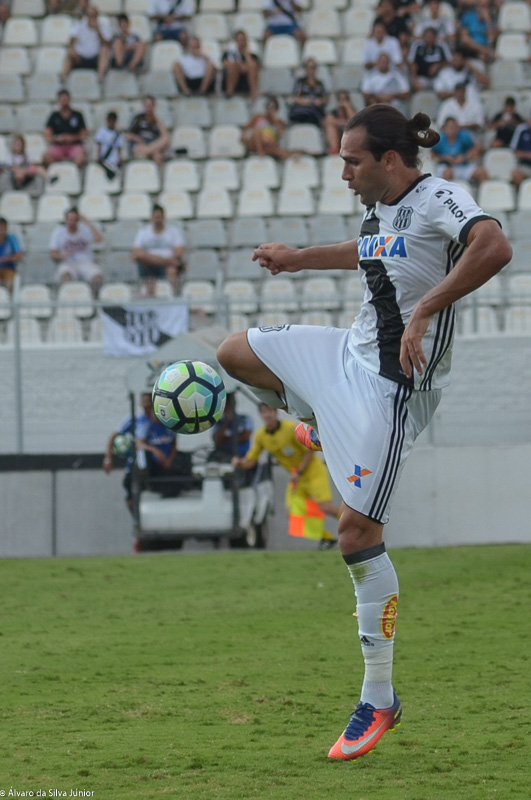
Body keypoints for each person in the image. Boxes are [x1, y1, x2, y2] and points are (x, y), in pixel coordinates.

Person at [216, 103, 512, 761]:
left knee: (355, 534)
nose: (344, 172)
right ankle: (323, 423)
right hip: (346, 355)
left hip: (392, 388)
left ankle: (378, 697)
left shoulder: (438, 198)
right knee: (234, 352)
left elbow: (494, 246)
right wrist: (297, 260)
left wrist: (424, 311)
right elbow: (370, 251)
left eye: (352, 161)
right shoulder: (379, 207)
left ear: (389, 159)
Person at [233, 403, 339, 549]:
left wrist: (299, 472)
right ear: (260, 415)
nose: (268, 415)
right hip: (296, 477)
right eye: (264, 412)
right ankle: (326, 538)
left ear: (275, 413)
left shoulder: (290, 429)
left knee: (325, 507)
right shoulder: (261, 436)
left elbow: (309, 450)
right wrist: (238, 463)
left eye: (270, 411)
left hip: (313, 472)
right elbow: (251, 461)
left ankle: (356, 522)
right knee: (292, 512)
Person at [103, 392, 153, 514]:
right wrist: (108, 458)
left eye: (149, 401)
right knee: (128, 485)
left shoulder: (157, 421)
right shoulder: (136, 420)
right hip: (136, 461)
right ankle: (135, 516)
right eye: (144, 401)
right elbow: (113, 436)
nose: (146, 404)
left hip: (154, 460)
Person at [131, 204, 185, 295]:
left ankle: (174, 295)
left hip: (167, 266)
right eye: (156, 217)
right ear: (151, 218)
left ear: (163, 217)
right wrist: (164, 261)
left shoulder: (173, 231)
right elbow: (136, 252)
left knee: (172, 270)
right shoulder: (143, 232)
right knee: (140, 255)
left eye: (159, 217)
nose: (157, 220)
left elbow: (179, 252)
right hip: (149, 265)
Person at [49, 206, 104, 294]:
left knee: (97, 277)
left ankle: (93, 297)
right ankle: (67, 298)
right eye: (70, 219)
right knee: (66, 276)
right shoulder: (58, 233)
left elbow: (99, 239)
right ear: (65, 220)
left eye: (74, 219)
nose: (71, 222)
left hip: (86, 262)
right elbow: (53, 254)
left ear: (78, 220)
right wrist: (62, 255)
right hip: (68, 263)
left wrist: (86, 221)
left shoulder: (85, 230)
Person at [59, 4, 112, 84]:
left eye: (93, 15)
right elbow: (71, 42)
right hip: (80, 57)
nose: (91, 18)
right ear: (86, 16)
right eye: (89, 15)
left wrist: (98, 30)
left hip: (95, 58)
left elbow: (107, 44)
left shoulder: (104, 27)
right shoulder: (79, 26)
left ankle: (100, 76)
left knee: (104, 50)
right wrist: (73, 51)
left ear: (97, 16)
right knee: (69, 53)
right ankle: (63, 77)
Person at [431, 116, 488, 184]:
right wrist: (445, 158)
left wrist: (464, 157)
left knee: (482, 173)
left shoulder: (464, 136)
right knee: (447, 173)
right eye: (450, 127)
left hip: (463, 165)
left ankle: (482, 190)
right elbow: (433, 156)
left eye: (455, 127)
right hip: (447, 166)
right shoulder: (440, 140)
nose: (453, 130)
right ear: (445, 128)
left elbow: (475, 150)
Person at [43, 89, 88, 169]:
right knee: (46, 157)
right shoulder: (54, 116)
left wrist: (72, 138)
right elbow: (47, 134)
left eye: (66, 99)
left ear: (70, 99)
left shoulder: (78, 115)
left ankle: (73, 173)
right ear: (58, 101)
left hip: (74, 145)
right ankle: (57, 172)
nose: (64, 101)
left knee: (81, 157)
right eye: (62, 99)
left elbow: (84, 134)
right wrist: (58, 138)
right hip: (58, 145)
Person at [125, 96, 170, 167]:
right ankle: (152, 153)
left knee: (165, 140)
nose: (148, 108)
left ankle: (149, 153)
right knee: (157, 155)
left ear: (154, 106)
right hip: (140, 146)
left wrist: (156, 117)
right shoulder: (138, 118)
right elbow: (128, 134)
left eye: (150, 106)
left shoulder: (157, 121)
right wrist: (138, 139)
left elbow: (165, 137)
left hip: (152, 144)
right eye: (146, 106)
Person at [209, 392, 254, 462]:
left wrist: (225, 440)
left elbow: (245, 437)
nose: (228, 407)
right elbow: (217, 440)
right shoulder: (217, 422)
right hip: (222, 455)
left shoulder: (245, 418)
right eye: (226, 405)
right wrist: (226, 421)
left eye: (230, 404)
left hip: (242, 455)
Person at [407, 26, 452, 92]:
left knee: (443, 84)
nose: (429, 39)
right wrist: (414, 79)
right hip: (422, 77)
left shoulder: (442, 45)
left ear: (435, 37)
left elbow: (449, 62)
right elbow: (412, 63)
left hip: (439, 77)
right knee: (417, 85)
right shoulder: (417, 46)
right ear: (423, 37)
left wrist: (438, 65)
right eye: (427, 36)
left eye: (431, 36)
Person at [288, 58, 328, 128]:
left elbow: (325, 98)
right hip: (303, 109)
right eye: (310, 67)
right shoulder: (300, 82)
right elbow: (296, 98)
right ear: (306, 68)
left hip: (315, 109)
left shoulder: (319, 83)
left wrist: (319, 101)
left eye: (313, 68)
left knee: (316, 111)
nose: (311, 70)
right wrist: (307, 102)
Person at [221, 29, 260, 100]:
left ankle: (254, 93)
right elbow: (225, 64)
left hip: (246, 81)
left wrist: (246, 54)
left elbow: (253, 66)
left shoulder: (252, 55)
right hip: (231, 78)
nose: (242, 42)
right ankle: (230, 92)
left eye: (244, 40)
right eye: (240, 40)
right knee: (233, 65)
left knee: (252, 65)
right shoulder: (228, 54)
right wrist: (240, 66)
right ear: (236, 41)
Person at [94, 110, 125, 180]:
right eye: (109, 120)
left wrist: (120, 158)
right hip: (104, 160)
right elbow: (99, 144)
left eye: (113, 120)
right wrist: (98, 155)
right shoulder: (101, 131)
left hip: (114, 161)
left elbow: (119, 148)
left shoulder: (118, 133)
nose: (111, 122)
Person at [0, 217, 23, 292]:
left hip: (9, 269)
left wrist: (4, 260)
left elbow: (19, 255)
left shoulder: (12, 238)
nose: (2, 231)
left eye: (3, 228)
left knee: (9, 283)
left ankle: (8, 297)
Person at [509, 116, 531, 189]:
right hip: (526, 166)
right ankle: (519, 194)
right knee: (516, 174)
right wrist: (528, 155)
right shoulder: (522, 130)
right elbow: (514, 151)